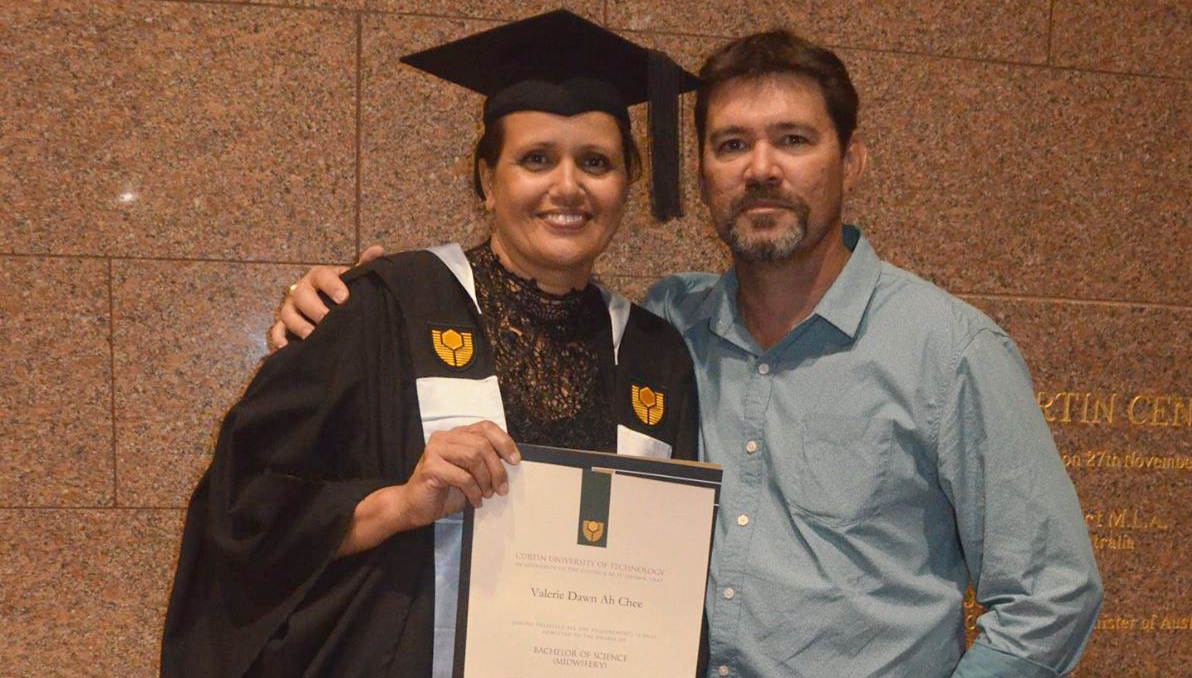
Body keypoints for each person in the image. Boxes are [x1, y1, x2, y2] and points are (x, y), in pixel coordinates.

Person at [273, 29, 1104, 678]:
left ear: (850, 160)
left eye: (793, 140)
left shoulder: (949, 352)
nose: (762, 170)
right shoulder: (662, 333)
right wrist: (342, 303)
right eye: (732, 144)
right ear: (700, 171)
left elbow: (1051, 596)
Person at [161, 11, 703, 677]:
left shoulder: (656, 356)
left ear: (626, 185)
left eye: (596, 162)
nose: (568, 186)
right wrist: (399, 505)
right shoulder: (385, 307)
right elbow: (244, 518)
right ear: (486, 180)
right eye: (536, 159)